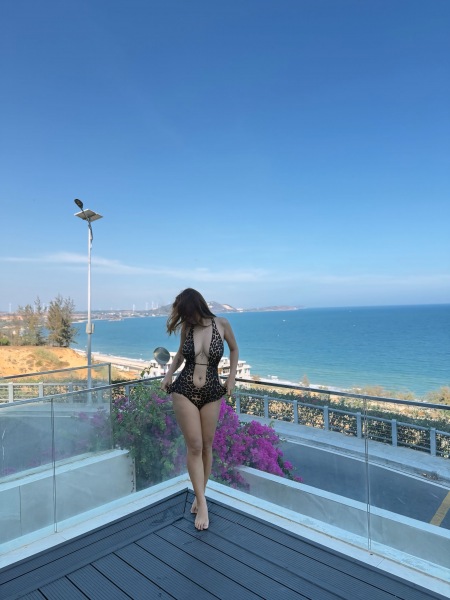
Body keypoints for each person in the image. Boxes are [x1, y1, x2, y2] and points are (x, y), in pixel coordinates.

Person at [161, 288, 239, 530]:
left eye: (188, 313)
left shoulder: (222, 324)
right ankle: (202, 503)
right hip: (184, 389)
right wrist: (168, 374)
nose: (186, 318)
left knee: (206, 446)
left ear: (197, 306)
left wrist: (231, 378)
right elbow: (179, 356)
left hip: (213, 390)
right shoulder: (188, 327)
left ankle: (199, 494)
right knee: (194, 445)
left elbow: (234, 349)